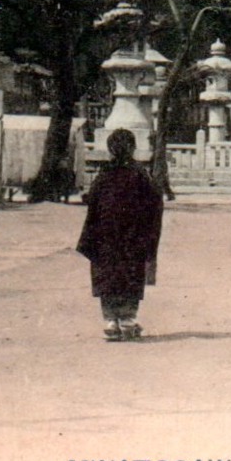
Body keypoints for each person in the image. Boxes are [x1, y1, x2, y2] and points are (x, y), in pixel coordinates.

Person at [75, 129, 164, 342]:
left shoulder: (104, 175)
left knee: (108, 275)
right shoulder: (141, 174)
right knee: (131, 274)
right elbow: (154, 204)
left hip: (105, 236)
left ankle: (111, 321)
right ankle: (128, 320)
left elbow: (93, 204)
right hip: (134, 236)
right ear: (133, 148)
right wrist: (149, 235)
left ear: (109, 149)